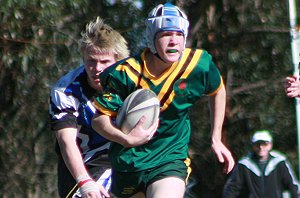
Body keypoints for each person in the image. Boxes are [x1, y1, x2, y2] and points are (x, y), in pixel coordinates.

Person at [91, 3, 234, 198]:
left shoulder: (198, 65)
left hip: (169, 160)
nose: (174, 41)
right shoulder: (126, 74)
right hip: (129, 164)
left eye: (179, 34)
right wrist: (126, 139)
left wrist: (216, 137)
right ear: (152, 38)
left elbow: (218, 90)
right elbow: (99, 120)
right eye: (166, 34)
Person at [49, 17, 129, 198]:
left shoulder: (133, 82)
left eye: (104, 62)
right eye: (91, 61)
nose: (97, 68)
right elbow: (66, 141)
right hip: (84, 165)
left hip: (125, 159)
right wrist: (85, 181)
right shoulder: (66, 90)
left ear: (119, 60)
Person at [223, 130, 300, 197]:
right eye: (257, 144)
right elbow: (232, 188)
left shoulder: (280, 162)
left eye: (264, 144)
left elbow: (293, 185)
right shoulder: (244, 164)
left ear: (270, 145)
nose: (261, 147)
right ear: (253, 146)